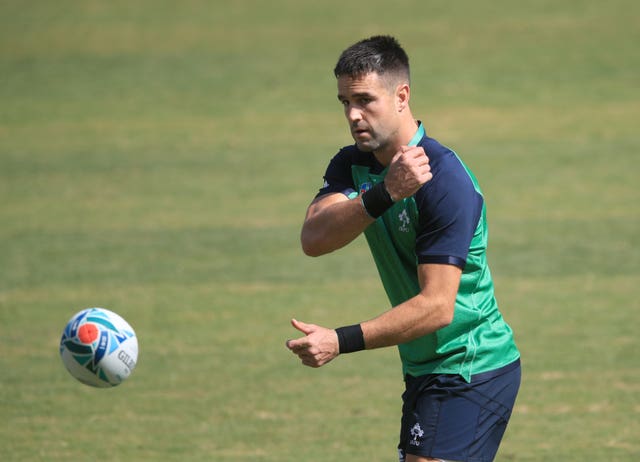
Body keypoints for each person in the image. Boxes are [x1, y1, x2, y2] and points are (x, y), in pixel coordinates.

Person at [286, 35, 521, 462]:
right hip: (425, 368)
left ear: (401, 96)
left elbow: (437, 307)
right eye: (343, 102)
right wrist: (384, 194)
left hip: (469, 364)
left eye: (364, 100)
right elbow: (314, 239)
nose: (353, 115)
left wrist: (340, 341)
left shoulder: (445, 181)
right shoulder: (353, 164)